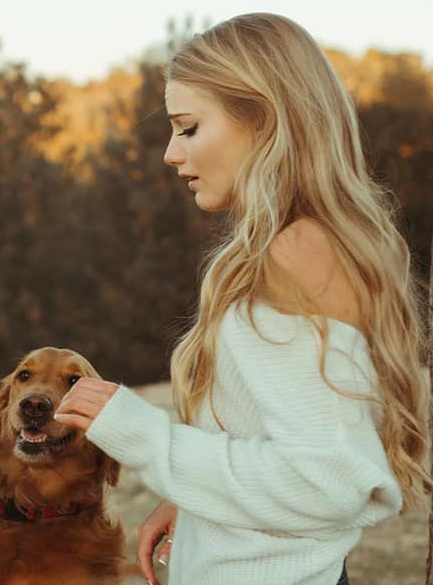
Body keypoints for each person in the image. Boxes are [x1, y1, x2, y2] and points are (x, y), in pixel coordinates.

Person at [54, 12, 430, 585]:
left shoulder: (296, 252)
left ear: (262, 119)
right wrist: (194, 498)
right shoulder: (300, 244)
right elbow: (283, 441)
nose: (170, 154)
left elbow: (325, 482)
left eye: (188, 127)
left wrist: (142, 434)